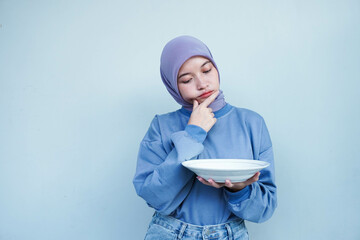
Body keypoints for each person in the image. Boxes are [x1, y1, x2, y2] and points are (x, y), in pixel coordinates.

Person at [133, 35, 277, 240]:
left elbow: (265, 209)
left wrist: (239, 190)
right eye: (186, 79)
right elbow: (155, 197)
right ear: (172, 85)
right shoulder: (161, 125)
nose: (202, 84)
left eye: (207, 70)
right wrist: (193, 134)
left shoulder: (251, 123)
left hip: (231, 234)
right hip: (169, 233)